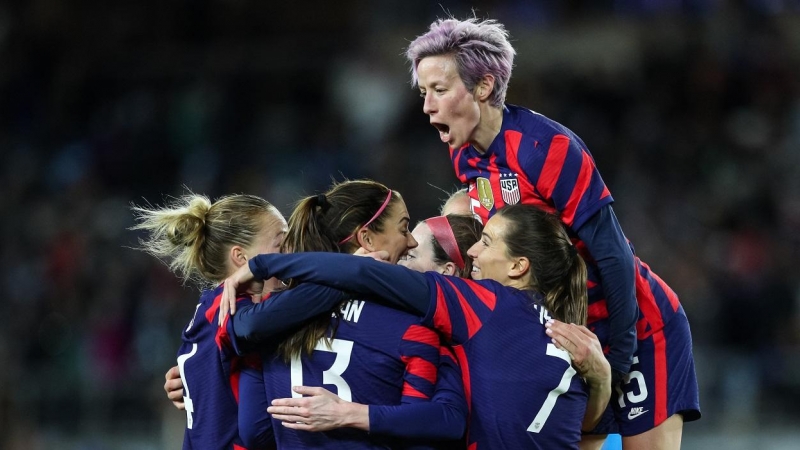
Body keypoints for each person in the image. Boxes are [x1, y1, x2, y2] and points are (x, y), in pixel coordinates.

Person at [406, 17, 700, 449]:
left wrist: (617, 358)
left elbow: (614, 255)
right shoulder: (467, 159)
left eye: (439, 90)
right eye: (423, 93)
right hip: (563, 333)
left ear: (484, 87)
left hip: (635, 327)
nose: (427, 106)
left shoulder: (545, 148)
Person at [222, 204, 612, 449]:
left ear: (518, 266)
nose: (475, 249)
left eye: (488, 241)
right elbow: (585, 435)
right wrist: (603, 381)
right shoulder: (565, 336)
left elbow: (362, 272)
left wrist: (262, 265)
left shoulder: (486, 305)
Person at [226, 180, 467, 449]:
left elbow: (254, 431)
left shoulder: (272, 323)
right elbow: (420, 436)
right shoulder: (413, 327)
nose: (410, 241)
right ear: (366, 238)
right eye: (404, 228)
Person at [265, 213, 482, 434]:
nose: (400, 259)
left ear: (447, 271)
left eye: (410, 256)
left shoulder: (277, 313)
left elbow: (253, 430)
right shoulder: (408, 329)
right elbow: (437, 424)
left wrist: (349, 414)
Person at [131, 193, 288, 449]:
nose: (292, 255)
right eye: (281, 244)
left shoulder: (208, 311)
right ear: (241, 257)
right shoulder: (235, 311)